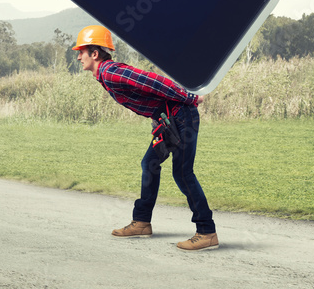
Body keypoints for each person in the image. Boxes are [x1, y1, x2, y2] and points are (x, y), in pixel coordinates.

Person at [72, 25, 218, 251]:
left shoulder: (110, 72)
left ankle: (207, 231)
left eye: (81, 51)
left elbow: (153, 82)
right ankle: (141, 222)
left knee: (182, 172)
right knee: (149, 164)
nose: (78, 56)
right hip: (169, 119)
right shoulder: (105, 74)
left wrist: (189, 98)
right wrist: (158, 119)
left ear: (95, 54)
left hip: (181, 116)